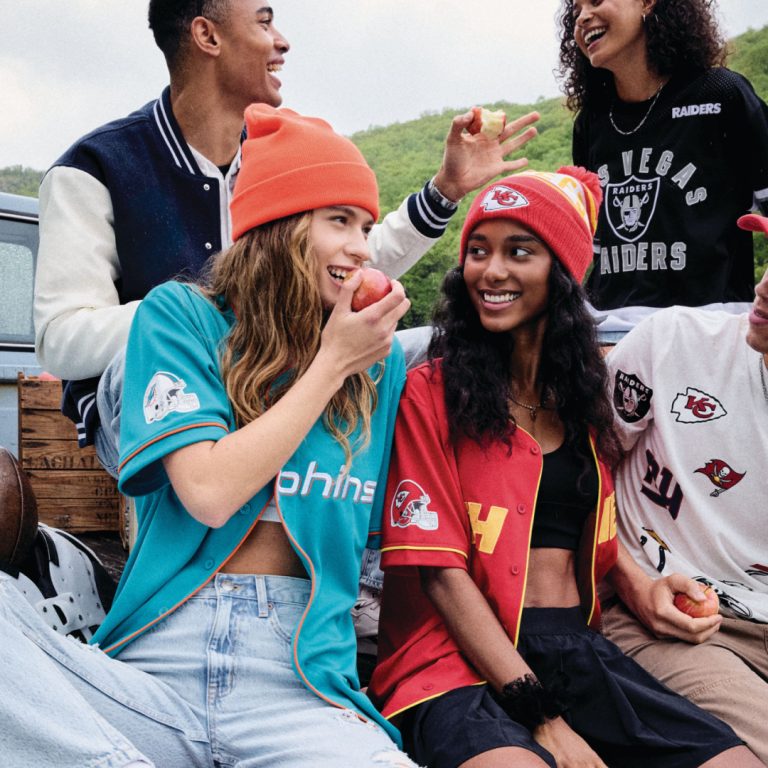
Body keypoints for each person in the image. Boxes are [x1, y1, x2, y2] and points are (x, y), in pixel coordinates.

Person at [0, 105, 420, 768]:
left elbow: (379, 536)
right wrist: (330, 364)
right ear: (281, 226)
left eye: (366, 227)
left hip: (297, 685)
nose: (362, 248)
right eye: (340, 221)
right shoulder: (181, 317)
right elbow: (210, 493)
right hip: (157, 664)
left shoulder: (378, 361)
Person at [33, 0, 539, 477]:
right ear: (207, 35)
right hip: (151, 405)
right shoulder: (95, 167)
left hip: (280, 371)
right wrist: (212, 309)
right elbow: (60, 339)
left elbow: (341, 264)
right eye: (264, 21)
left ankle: (459, 513)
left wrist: (446, 190)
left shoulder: (282, 154)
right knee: (146, 359)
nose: (282, 41)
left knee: (442, 345)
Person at [367, 168, 762, 768]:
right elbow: (440, 575)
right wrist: (544, 720)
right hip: (449, 663)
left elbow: (592, 537)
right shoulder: (431, 393)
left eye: (519, 251)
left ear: (563, 273)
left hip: (575, 651)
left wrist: (641, 587)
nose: (491, 270)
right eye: (478, 251)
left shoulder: (583, 399)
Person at [596, 212, 768, 762]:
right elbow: (571, 474)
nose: (763, 287)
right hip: (673, 618)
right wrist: (628, 582)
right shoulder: (673, 344)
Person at [557, 0, 768, 341]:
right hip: (611, 336)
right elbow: (590, 248)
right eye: (576, 10)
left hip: (711, 332)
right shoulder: (591, 123)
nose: (582, 17)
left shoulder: (721, 95)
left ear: (646, 3)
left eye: (595, 1)